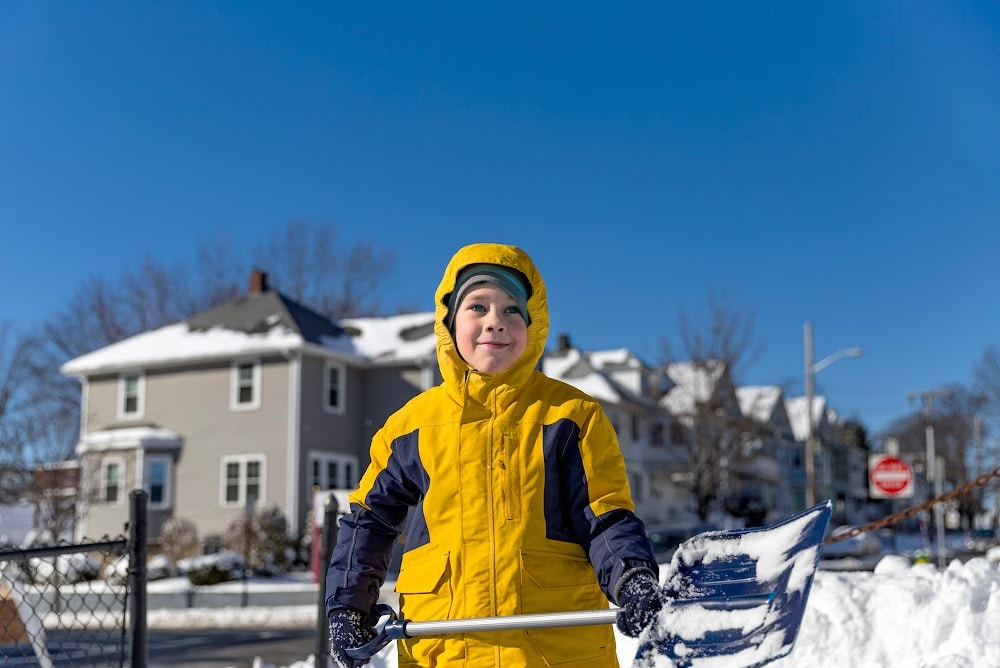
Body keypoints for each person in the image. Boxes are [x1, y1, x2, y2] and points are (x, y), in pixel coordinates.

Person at [326, 242, 662, 667]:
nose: (495, 323)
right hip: (444, 648)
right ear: (449, 321)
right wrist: (348, 607)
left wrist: (631, 575)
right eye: (478, 307)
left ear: (532, 324)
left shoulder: (571, 416)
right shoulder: (411, 426)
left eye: (511, 310)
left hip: (552, 649)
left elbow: (604, 515)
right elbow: (369, 520)